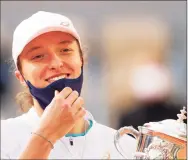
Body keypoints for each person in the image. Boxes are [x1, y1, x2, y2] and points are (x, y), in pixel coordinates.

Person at [1, 11, 136, 159]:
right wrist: (46, 136)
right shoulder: (5, 137)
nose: (57, 63)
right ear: (21, 77)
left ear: (82, 61)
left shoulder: (125, 146)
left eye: (65, 50)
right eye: (38, 56)